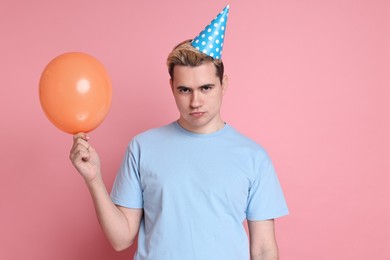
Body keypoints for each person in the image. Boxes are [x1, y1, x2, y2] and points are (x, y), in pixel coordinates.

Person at [70, 39, 288, 260]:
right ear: (172, 87)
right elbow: (121, 239)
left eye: (206, 88)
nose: (195, 101)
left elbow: (263, 249)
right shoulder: (142, 147)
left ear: (223, 85)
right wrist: (93, 178)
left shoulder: (253, 157)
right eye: (185, 90)